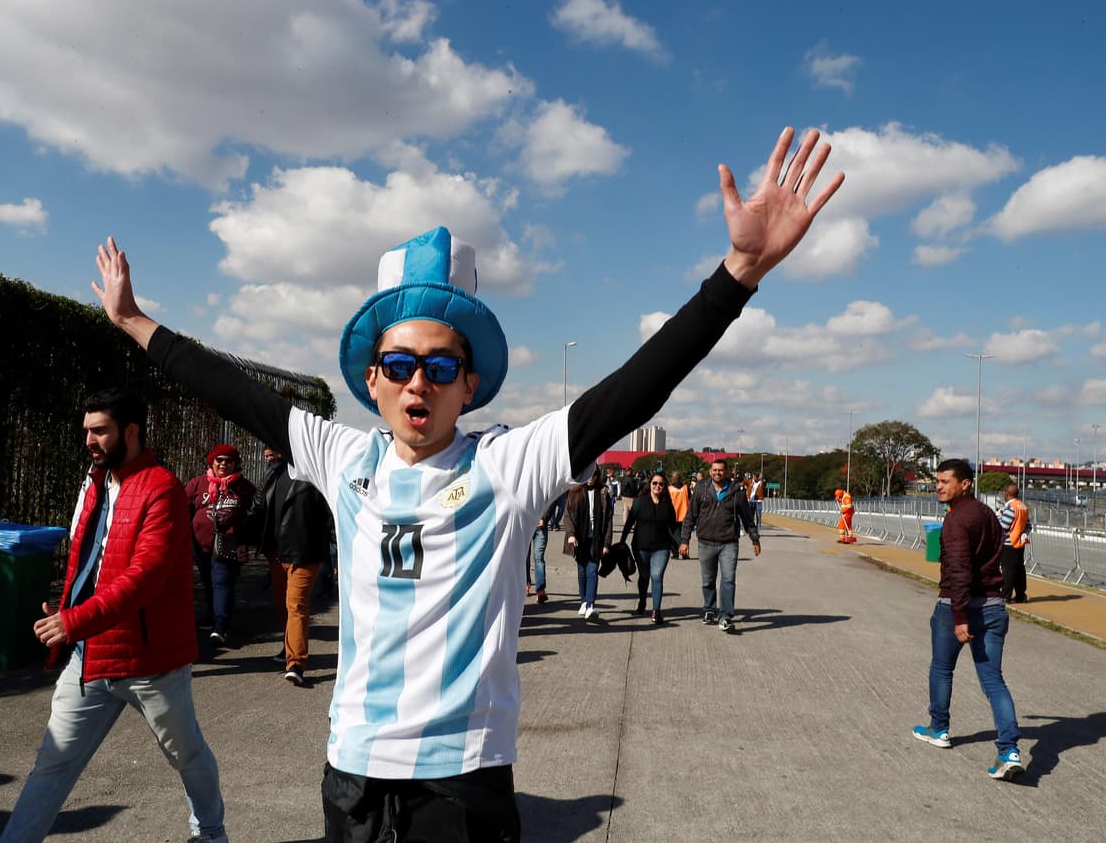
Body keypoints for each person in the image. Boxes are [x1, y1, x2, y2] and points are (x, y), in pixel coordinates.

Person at [92, 126, 842, 840]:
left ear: (469, 383)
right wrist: (134, 322)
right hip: (352, 769)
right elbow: (233, 389)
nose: (419, 381)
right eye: (400, 364)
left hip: (463, 777)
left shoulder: (508, 465)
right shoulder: (341, 456)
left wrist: (738, 274)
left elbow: (634, 390)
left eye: (441, 365)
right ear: (374, 381)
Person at [0, 390, 227, 842]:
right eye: (86, 430)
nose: (89, 439)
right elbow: (88, 560)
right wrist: (69, 612)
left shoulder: (161, 488)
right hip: (90, 655)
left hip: (151, 662)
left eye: (99, 430)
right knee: (53, 763)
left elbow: (145, 576)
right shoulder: (97, 481)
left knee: (186, 755)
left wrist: (74, 621)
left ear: (131, 432)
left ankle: (211, 833)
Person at [913, 459, 1024, 782]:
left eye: (946, 481)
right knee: (993, 681)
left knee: (942, 668)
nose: (939, 486)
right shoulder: (987, 514)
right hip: (993, 605)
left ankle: (939, 729)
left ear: (965, 484)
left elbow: (960, 571)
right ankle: (1009, 750)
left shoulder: (957, 521)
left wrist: (960, 616)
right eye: (937, 481)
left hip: (957, 608)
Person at [259, 446, 333, 685]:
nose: (269, 450)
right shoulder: (273, 474)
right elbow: (261, 510)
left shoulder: (316, 476)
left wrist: (337, 554)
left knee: (296, 605)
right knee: (283, 605)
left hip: (305, 553)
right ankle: (287, 646)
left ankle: (296, 663)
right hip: (276, 553)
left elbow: (332, 518)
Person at [185, 443, 258, 646]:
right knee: (208, 582)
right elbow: (184, 509)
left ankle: (221, 626)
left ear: (236, 464)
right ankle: (211, 617)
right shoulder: (198, 484)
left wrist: (244, 542)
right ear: (212, 462)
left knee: (222, 581)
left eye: (229, 461)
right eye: (219, 460)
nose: (224, 464)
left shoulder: (244, 488)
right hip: (200, 545)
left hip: (228, 544)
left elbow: (251, 517)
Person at [679, 458, 760, 633]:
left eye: (721, 470)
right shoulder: (701, 489)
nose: (718, 473)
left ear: (726, 472)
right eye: (715, 470)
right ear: (710, 472)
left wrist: (755, 539)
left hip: (728, 543)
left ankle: (725, 616)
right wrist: (684, 540)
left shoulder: (736, 491)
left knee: (728, 580)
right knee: (708, 580)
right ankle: (709, 609)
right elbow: (690, 517)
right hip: (706, 542)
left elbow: (747, 518)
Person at [620, 473, 680, 623]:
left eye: (660, 484)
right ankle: (642, 601)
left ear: (664, 486)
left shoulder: (668, 504)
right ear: (650, 485)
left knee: (657, 576)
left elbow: (674, 526)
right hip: (641, 547)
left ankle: (656, 611)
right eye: (654, 483)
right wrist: (622, 541)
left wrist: (681, 543)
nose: (657, 486)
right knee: (644, 576)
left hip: (662, 547)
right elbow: (629, 522)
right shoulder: (640, 502)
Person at [564, 467, 614, 620]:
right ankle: (583, 600)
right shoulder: (575, 491)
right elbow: (568, 516)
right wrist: (571, 535)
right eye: (588, 474)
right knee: (582, 571)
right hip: (580, 539)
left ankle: (590, 605)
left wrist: (606, 543)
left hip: (596, 540)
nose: (591, 477)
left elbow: (609, 521)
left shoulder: (604, 492)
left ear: (598, 476)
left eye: (594, 474)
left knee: (592, 571)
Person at [996, 483, 1031, 604]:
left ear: (1006, 494)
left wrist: (999, 516)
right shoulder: (1022, 506)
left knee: (1008, 571)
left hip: (1009, 543)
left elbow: (1003, 526)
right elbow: (1028, 525)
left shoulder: (1011, 507)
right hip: (1019, 543)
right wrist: (1024, 534)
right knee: (1019, 570)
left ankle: (1005, 596)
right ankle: (1021, 595)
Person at [528, 499, 557, 603]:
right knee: (524, 558)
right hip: (525, 525)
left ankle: (540, 590)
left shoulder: (544, 483)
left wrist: (544, 519)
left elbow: (552, 500)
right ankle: (526, 583)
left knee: (538, 557)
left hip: (541, 526)